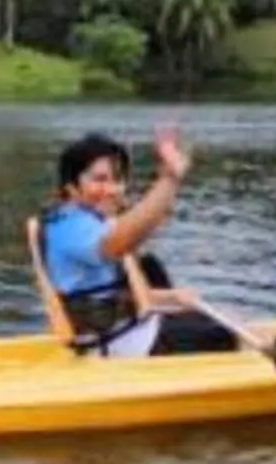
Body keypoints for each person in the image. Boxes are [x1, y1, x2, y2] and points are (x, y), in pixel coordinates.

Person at [27, 126, 239, 358]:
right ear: (72, 188)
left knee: (153, 268)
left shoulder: (94, 220)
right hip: (114, 346)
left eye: (116, 179)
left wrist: (172, 298)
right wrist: (169, 178)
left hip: (127, 330)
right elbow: (118, 244)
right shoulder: (68, 226)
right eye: (99, 180)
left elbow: (112, 293)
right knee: (223, 334)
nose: (112, 189)